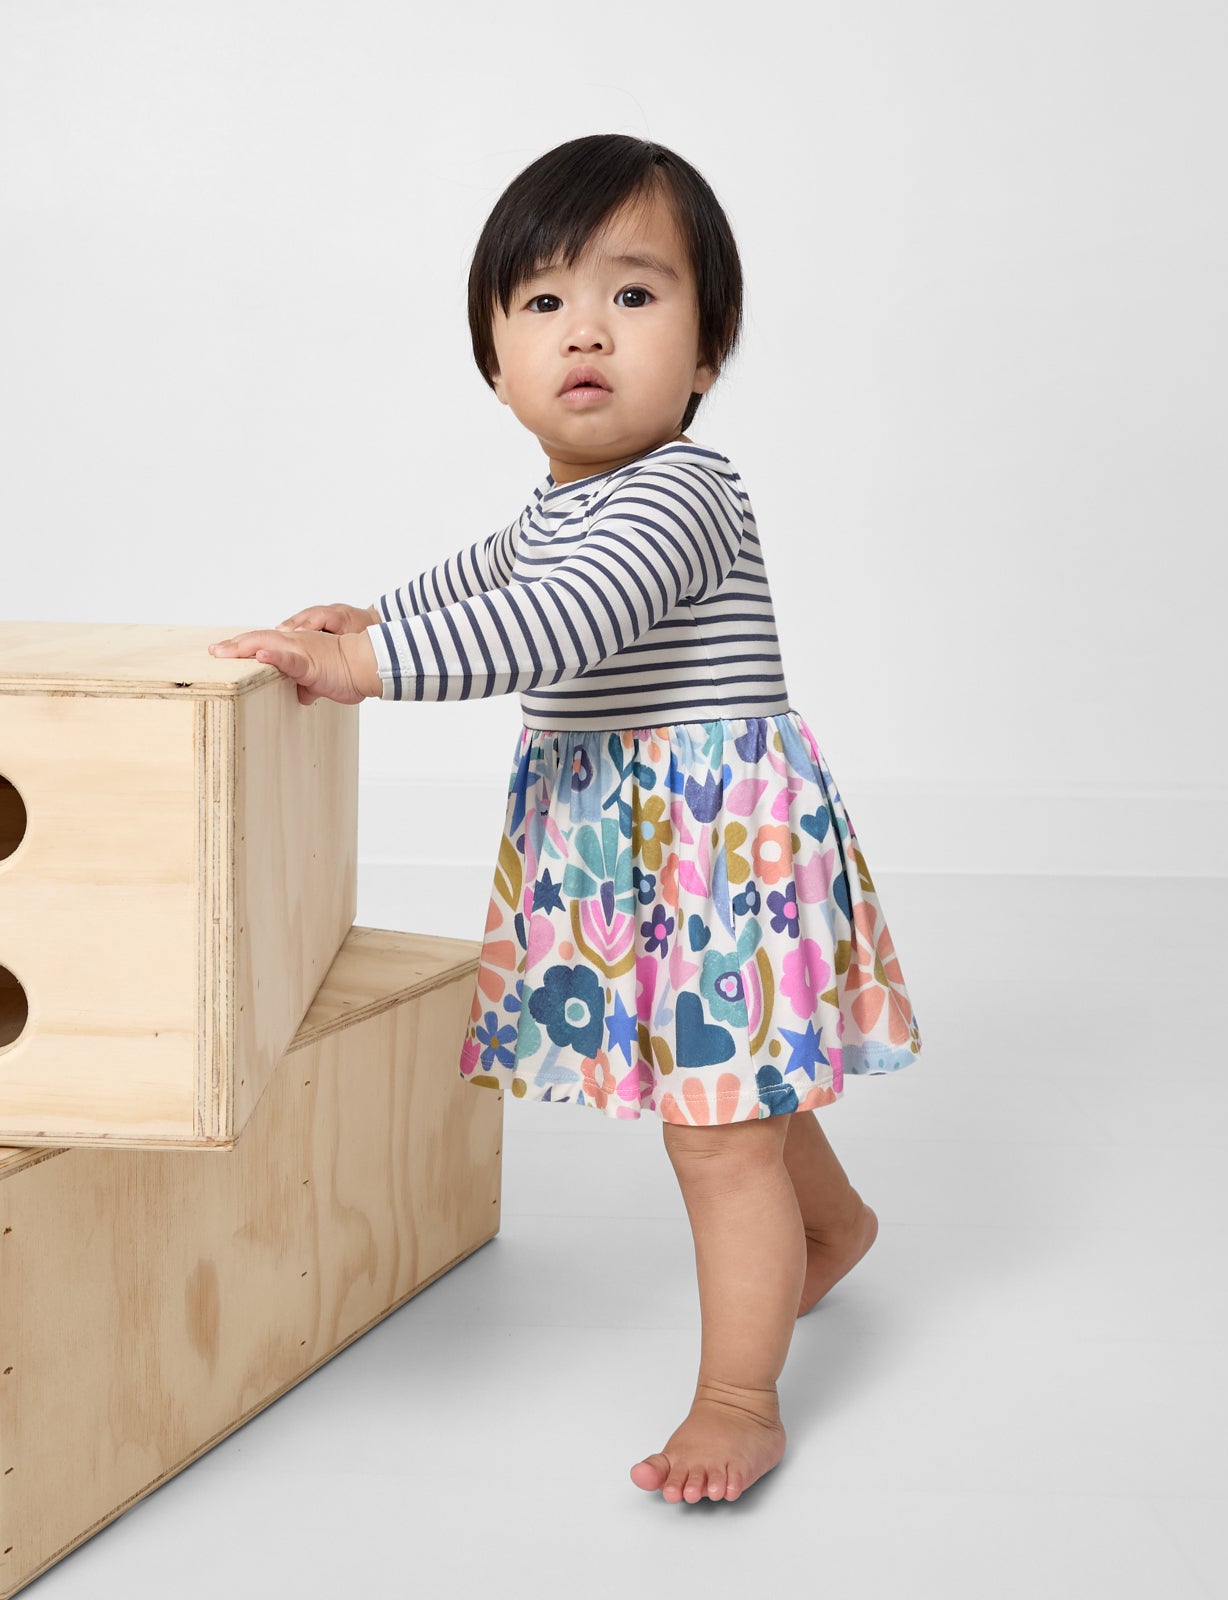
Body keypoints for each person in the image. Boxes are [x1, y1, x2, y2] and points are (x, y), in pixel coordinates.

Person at [210, 132, 922, 1506]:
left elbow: (554, 623)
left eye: (634, 295)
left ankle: (740, 1398)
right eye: (543, 301)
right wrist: (377, 613)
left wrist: (366, 668)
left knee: (713, 1127)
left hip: (717, 847)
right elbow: (481, 579)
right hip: (633, 842)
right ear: (496, 363)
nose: (585, 328)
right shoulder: (559, 506)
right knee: (734, 1090)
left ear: (709, 353)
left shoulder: (685, 495)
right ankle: (831, 1228)